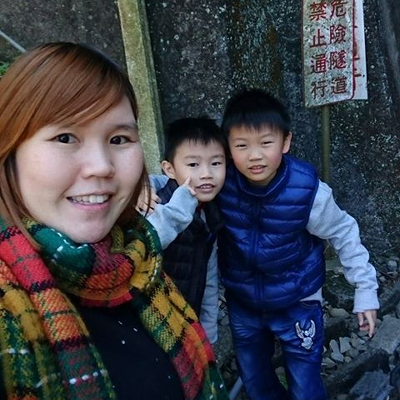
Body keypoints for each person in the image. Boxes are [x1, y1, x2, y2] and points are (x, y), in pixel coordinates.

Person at [0, 42, 228, 400]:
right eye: (65, 137)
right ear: (10, 151)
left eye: (119, 139)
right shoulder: (9, 312)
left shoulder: (138, 259)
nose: (102, 166)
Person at [216, 88, 379, 400]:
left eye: (266, 143)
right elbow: (179, 179)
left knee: (305, 387)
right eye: (242, 145)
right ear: (228, 147)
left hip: (297, 302)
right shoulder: (222, 183)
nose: (254, 155)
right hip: (244, 302)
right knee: (256, 382)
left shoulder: (307, 191)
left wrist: (365, 289)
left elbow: (343, 231)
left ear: (286, 141)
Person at [144, 117, 226, 344]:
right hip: (153, 324)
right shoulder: (154, 203)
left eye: (216, 163)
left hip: (187, 321)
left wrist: (209, 333)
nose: (207, 173)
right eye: (193, 165)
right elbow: (146, 244)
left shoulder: (210, 212)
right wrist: (179, 210)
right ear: (169, 169)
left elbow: (209, 277)